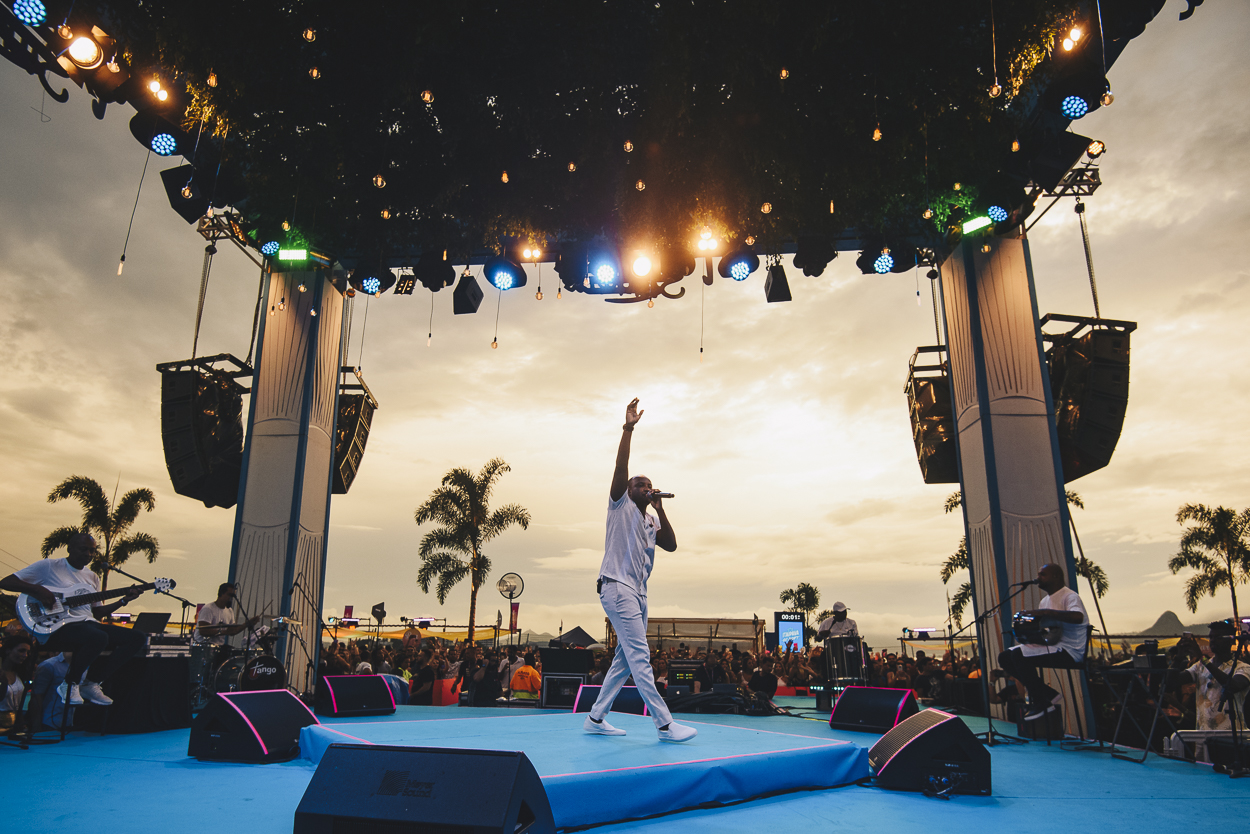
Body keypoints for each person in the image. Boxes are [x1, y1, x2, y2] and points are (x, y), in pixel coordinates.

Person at [585, 399, 697, 743]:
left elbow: (672, 545)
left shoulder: (650, 517)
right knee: (639, 654)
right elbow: (622, 468)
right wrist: (628, 428)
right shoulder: (619, 505)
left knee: (623, 659)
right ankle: (665, 724)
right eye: (639, 484)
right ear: (628, 490)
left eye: (648, 484)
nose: (644, 487)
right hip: (617, 587)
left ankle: (596, 716)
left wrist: (660, 508)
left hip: (639, 593)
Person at [0, 533, 147, 707]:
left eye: (92, 551)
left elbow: (97, 613)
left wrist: (123, 600)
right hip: (56, 627)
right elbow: (6, 582)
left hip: (86, 625)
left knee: (137, 638)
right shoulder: (49, 566)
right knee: (98, 637)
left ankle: (91, 683)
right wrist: (38, 590)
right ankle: (70, 683)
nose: (88, 554)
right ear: (70, 548)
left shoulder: (92, 577)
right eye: (83, 549)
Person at [997, 563, 1089, 721]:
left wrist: (1045, 612)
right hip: (1053, 645)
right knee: (1005, 657)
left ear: (1056, 577)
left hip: (1070, 650)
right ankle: (1047, 694)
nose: (1038, 578)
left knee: (1019, 655)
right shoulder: (1045, 600)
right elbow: (1046, 630)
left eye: (1042, 575)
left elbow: (1077, 617)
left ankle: (1041, 702)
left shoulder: (1069, 596)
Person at [1173, 624, 1249, 731]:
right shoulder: (1199, 667)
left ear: (1231, 641)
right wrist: (1179, 657)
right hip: (1203, 738)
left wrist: (1202, 658)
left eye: (1218, 637)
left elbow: (1232, 686)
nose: (1212, 640)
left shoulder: (1243, 668)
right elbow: (1172, 681)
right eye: (1211, 637)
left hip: (1231, 738)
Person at [193, 583, 262, 659]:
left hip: (218, 647)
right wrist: (223, 632)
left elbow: (232, 631)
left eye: (233, 596)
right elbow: (203, 631)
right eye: (230, 595)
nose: (232, 598)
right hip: (203, 647)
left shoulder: (229, 611)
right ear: (222, 593)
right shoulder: (208, 609)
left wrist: (247, 624)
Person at [1, 633, 32, 735]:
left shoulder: (20, 673)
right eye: (21, 650)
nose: (25, 655)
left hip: (15, 727)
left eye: (27, 652)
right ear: (8, 650)